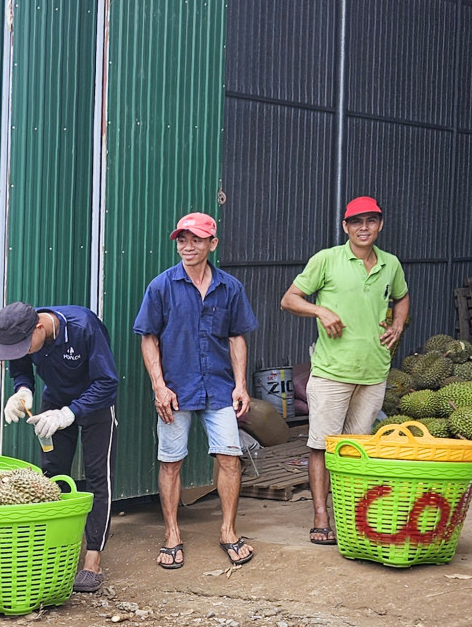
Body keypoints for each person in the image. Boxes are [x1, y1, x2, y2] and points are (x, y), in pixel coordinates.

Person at [280, 196, 409, 546]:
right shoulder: (327, 260)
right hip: (332, 371)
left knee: (357, 448)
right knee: (322, 445)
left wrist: (398, 324)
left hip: (374, 371)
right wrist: (321, 311)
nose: (363, 228)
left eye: (370, 221)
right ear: (345, 227)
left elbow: (402, 296)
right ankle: (321, 515)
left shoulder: (391, 264)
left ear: (380, 224)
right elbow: (289, 299)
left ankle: (352, 514)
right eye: (356, 222)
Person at [134, 212, 259, 570]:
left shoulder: (229, 287)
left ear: (212, 244)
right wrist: (159, 386)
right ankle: (172, 534)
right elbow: (149, 338)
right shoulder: (162, 286)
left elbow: (237, 337)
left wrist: (241, 384)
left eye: (196, 240)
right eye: (182, 240)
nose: (188, 247)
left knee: (229, 457)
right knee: (171, 461)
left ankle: (229, 531)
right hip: (176, 389)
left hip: (219, 387)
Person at [0, 300, 120, 594]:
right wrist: (22, 391)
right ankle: (51, 550)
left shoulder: (84, 327)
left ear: (40, 327)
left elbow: (107, 382)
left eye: (25, 346)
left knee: (98, 476)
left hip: (96, 403)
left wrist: (69, 414)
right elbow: (21, 366)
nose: (22, 352)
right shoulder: (21, 331)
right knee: (51, 473)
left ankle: (92, 560)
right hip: (54, 401)